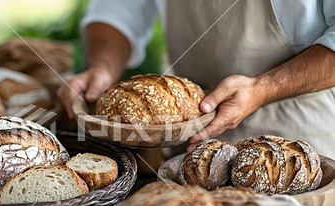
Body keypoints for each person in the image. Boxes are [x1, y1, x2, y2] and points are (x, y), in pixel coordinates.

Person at [57, 0, 335, 158]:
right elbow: (117, 10)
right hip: (189, 138)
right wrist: (103, 67)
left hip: (296, 142)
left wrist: (262, 89)